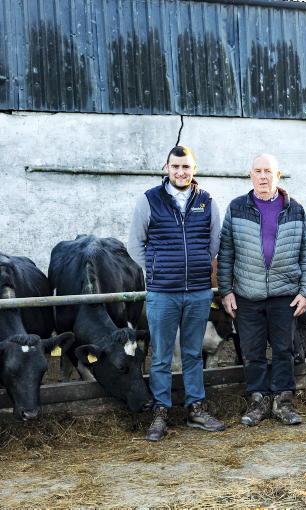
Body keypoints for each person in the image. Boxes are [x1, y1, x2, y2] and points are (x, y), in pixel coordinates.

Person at [128, 145, 226, 442]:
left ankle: (196, 408)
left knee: (193, 352)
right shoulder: (149, 200)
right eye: (175, 167)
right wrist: (156, 269)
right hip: (163, 293)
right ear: (166, 168)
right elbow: (135, 244)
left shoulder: (206, 201)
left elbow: (214, 242)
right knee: (160, 355)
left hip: (197, 291)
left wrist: (200, 264)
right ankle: (161, 411)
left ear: (194, 169)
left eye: (186, 167)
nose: (181, 172)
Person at [217, 153, 306, 426]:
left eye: (268, 171)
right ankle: (257, 402)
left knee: (284, 350)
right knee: (252, 352)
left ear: (278, 175)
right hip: (247, 294)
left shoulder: (295, 209)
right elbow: (226, 253)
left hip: (285, 294)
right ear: (251, 175)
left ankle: (283, 403)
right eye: (258, 171)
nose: (263, 176)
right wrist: (226, 290)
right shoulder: (237, 208)